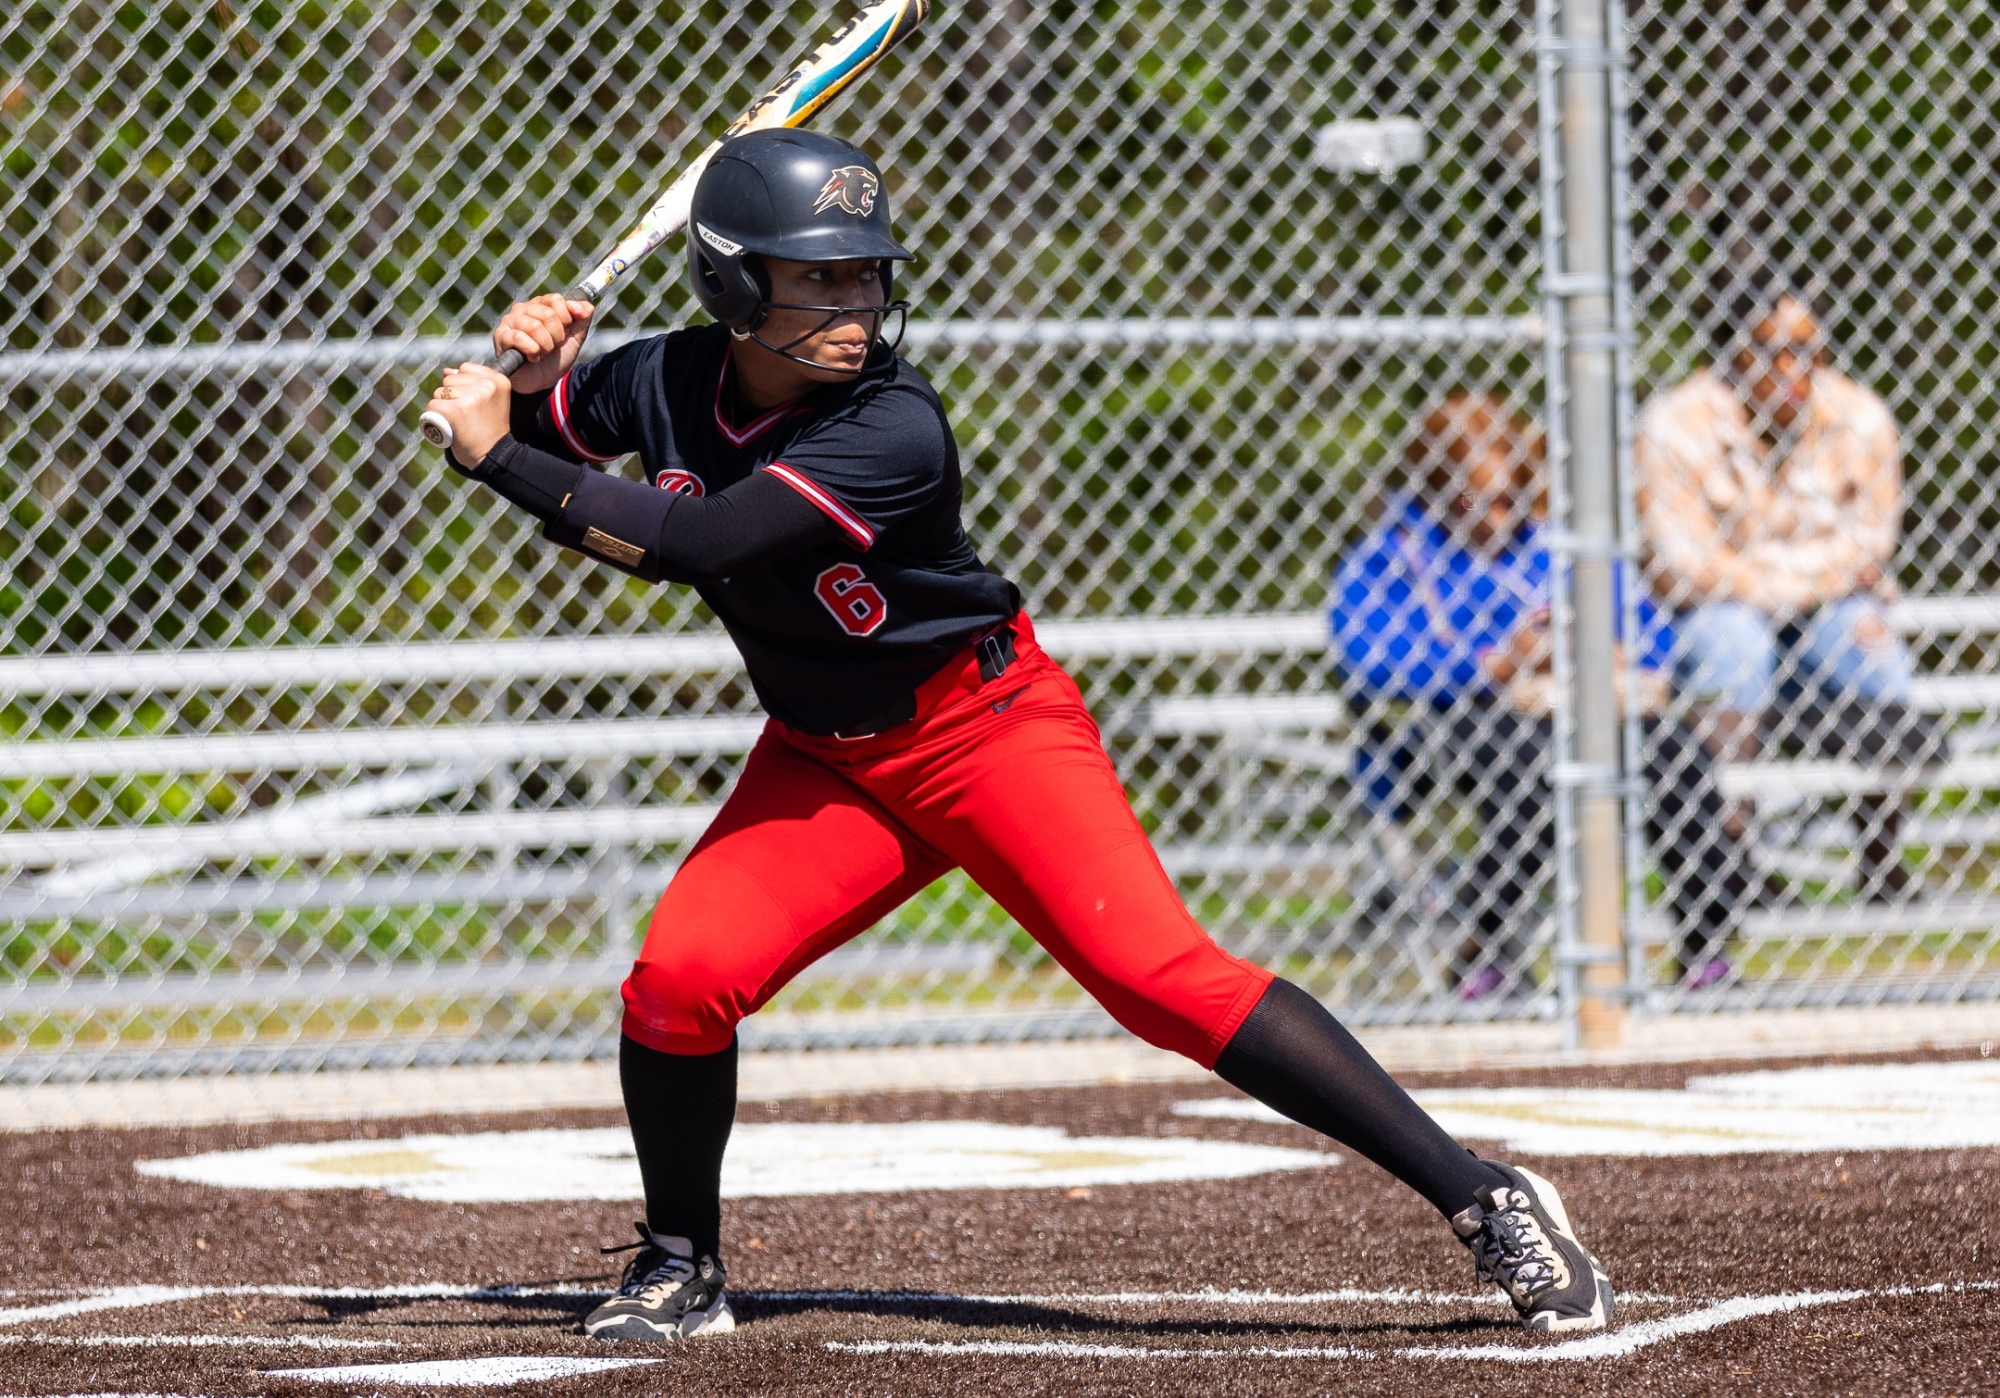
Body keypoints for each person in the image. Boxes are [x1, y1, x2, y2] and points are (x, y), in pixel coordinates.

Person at [424, 129, 1614, 1342]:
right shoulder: (666, 378)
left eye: (865, 274)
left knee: (1162, 981)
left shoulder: (891, 426)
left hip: (984, 727)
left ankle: (1484, 1195)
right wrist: (529, 384)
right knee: (678, 979)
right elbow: (573, 442)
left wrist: (496, 453)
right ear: (730, 287)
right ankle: (679, 1261)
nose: (856, 303)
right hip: (828, 757)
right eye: (817, 277)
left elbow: (691, 545)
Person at [1333, 394, 1752, 994]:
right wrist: (1494, 664)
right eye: (1473, 501)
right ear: (1436, 491)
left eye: (1509, 498)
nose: (1496, 517)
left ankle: (1706, 946)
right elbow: (1370, 660)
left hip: (1576, 708)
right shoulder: (1394, 557)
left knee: (1676, 754)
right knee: (1529, 768)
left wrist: (1611, 650)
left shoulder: (1555, 545)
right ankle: (1488, 949)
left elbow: (1647, 626)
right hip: (1449, 721)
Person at [1635, 274, 1941, 901]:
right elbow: (1683, 564)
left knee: (1869, 635)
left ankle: (1882, 854)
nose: (1790, 367)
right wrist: (1804, 574)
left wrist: (1759, 573)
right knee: (1734, 639)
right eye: (1767, 349)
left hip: (1820, 622)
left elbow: (1870, 543)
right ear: (1729, 352)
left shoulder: (1859, 418)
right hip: (1717, 624)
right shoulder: (1674, 425)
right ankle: (1734, 856)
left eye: (1806, 349)